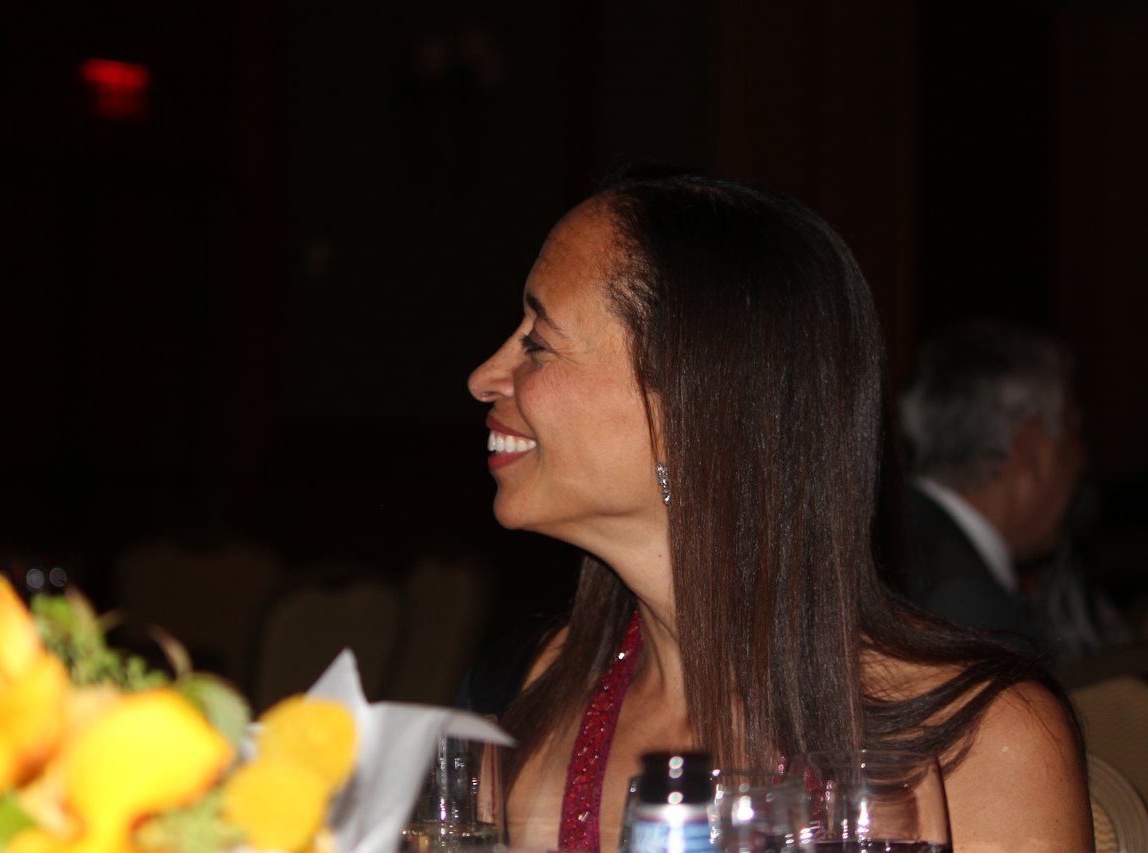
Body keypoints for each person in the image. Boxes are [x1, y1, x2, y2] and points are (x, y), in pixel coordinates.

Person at [464, 168, 1091, 852]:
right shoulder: (540, 697)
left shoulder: (983, 743)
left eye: (538, 342)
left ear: (691, 407)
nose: (484, 376)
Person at [898, 319, 1129, 661]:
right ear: (1030, 446)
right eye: (1074, 432)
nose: (1081, 461)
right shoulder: (971, 609)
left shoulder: (893, 533)